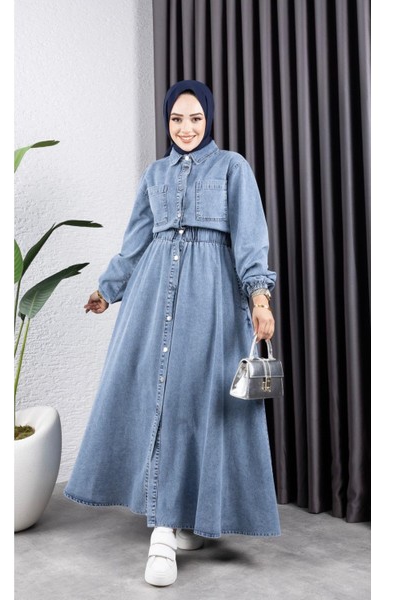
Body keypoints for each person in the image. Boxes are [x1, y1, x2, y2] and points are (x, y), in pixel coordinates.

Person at [64, 80, 281, 587]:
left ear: (209, 119)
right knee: (158, 401)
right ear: (167, 121)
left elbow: (251, 238)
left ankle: (181, 518)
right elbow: (136, 241)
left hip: (212, 303)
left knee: (196, 406)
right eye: (177, 119)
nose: (186, 129)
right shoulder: (155, 174)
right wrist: (107, 290)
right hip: (151, 300)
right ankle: (163, 530)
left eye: (195, 118)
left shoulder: (232, 168)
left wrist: (259, 298)